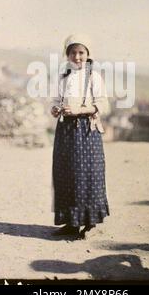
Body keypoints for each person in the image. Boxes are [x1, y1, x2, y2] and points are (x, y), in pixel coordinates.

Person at [51, 34, 110, 239]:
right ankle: (71, 223)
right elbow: (58, 99)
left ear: (88, 54)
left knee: (87, 175)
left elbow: (103, 104)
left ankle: (90, 224)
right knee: (66, 174)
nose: (77, 57)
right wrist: (56, 109)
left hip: (86, 131)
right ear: (67, 55)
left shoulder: (93, 77)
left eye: (81, 52)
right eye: (73, 52)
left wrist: (80, 110)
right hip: (66, 132)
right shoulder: (63, 77)